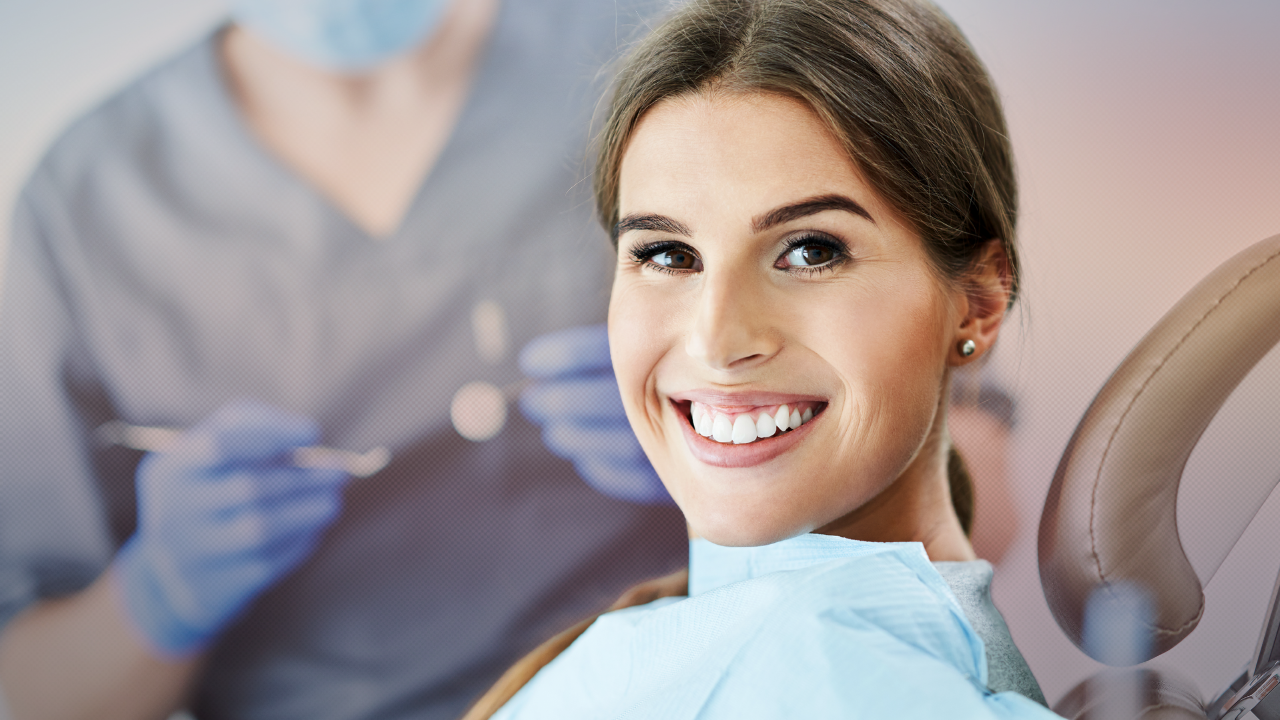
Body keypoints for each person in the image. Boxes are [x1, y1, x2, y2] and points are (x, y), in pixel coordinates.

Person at [0, 1, 688, 718]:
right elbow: (45, 694)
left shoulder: (653, 57)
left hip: (665, 680)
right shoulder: (89, 199)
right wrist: (156, 600)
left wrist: (707, 444)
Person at [470, 0, 1061, 715]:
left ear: (978, 302)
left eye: (811, 251)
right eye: (667, 254)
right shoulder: (716, 639)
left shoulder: (836, 670)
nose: (717, 340)